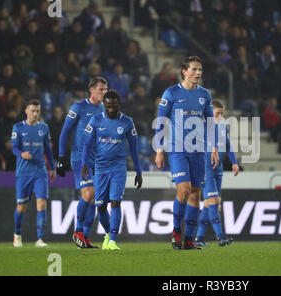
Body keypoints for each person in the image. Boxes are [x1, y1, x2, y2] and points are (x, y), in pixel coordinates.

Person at [154, 56, 219, 250]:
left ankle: (189, 240)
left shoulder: (205, 95)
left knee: (195, 195)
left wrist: (214, 148)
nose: (198, 73)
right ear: (184, 71)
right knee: (184, 190)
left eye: (200, 69)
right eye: (194, 69)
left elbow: (210, 123)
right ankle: (176, 233)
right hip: (177, 149)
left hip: (198, 151)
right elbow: (161, 121)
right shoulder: (171, 93)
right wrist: (159, 150)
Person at [81, 90, 142, 251]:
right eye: (108, 105)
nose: (111, 108)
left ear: (118, 104)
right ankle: (108, 233)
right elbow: (87, 144)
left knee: (115, 202)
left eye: (114, 105)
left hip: (118, 168)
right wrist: (84, 165)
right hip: (100, 168)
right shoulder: (96, 120)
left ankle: (113, 240)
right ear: (104, 105)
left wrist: (138, 171)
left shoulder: (127, 122)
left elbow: (134, 149)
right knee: (100, 206)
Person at [57, 76, 107, 248]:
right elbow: (65, 132)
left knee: (94, 199)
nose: (104, 93)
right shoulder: (78, 107)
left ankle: (85, 238)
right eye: (101, 89)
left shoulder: (105, 110)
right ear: (91, 90)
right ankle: (77, 230)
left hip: (98, 160)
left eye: (105, 89)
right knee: (88, 193)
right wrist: (62, 157)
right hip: (80, 158)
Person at [11, 99, 56, 247]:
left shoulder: (44, 128)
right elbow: (14, 148)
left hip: (40, 172)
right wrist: (21, 154)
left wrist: (53, 168)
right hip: (23, 172)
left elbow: (48, 150)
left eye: (37, 111)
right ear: (26, 111)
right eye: (32, 111)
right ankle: (17, 235)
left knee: (42, 203)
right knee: (21, 206)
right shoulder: (17, 127)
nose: (35, 113)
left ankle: (40, 239)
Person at [195, 100, 239, 247]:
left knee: (209, 204)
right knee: (214, 202)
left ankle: (199, 238)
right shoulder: (201, 127)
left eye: (221, 114)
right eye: (216, 114)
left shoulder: (221, 127)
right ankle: (221, 236)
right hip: (205, 170)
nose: (218, 117)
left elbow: (227, 145)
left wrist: (234, 162)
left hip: (218, 170)